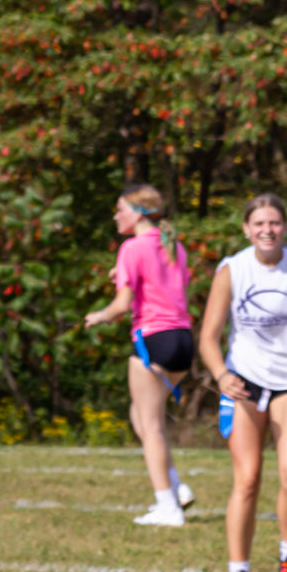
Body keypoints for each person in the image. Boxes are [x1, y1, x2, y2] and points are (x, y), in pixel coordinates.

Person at [198, 194, 287, 572]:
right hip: (244, 381)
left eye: (274, 223)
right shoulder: (231, 270)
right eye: (259, 224)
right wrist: (221, 375)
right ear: (246, 230)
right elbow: (207, 337)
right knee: (248, 479)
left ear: (285, 227)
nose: (267, 230)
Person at [84, 184, 196, 528]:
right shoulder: (172, 245)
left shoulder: (131, 247)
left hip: (153, 338)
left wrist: (100, 315)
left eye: (120, 209)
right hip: (182, 339)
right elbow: (169, 287)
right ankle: (176, 488)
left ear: (138, 212)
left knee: (150, 425)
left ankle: (167, 505)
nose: (116, 216)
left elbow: (122, 305)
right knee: (143, 416)